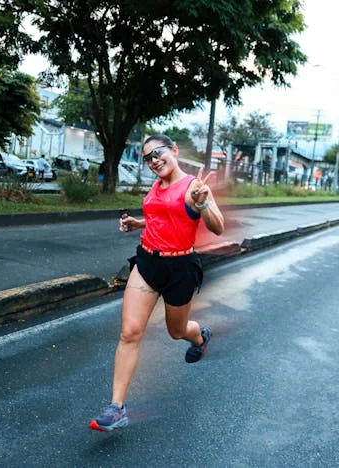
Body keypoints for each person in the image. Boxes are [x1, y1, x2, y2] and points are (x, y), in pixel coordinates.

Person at [89, 134, 225, 432]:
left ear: (174, 151)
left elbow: (218, 227)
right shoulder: (157, 184)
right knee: (129, 332)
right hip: (148, 262)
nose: (154, 160)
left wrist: (203, 205)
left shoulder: (194, 187)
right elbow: (162, 216)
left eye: (159, 153)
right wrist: (138, 223)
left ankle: (199, 336)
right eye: (148, 157)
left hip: (180, 268)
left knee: (177, 331)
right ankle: (116, 408)